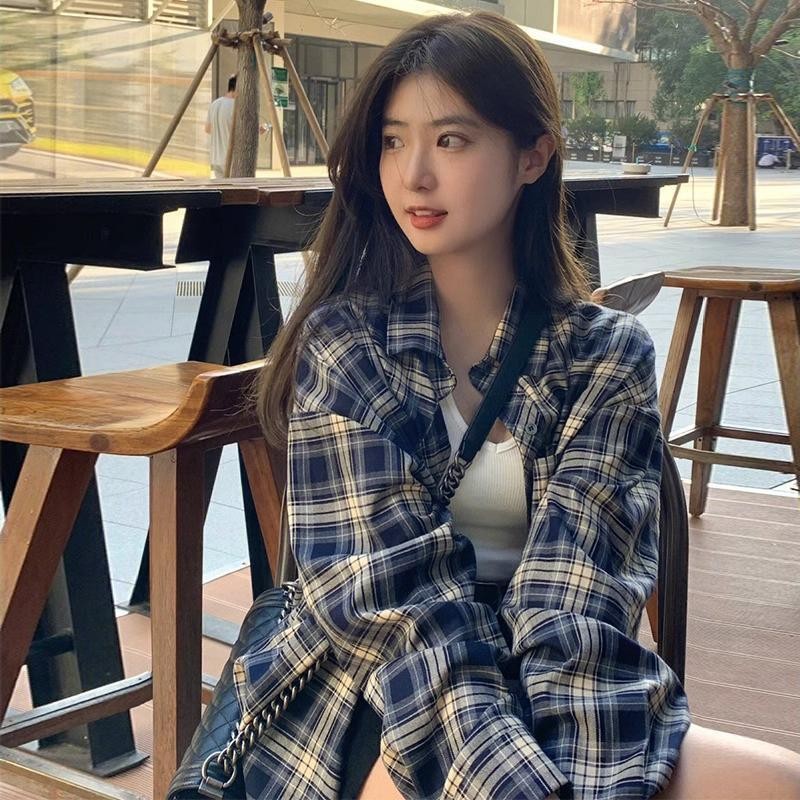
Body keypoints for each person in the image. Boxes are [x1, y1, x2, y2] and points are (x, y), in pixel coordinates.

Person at [239, 12, 800, 799]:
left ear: (532, 155)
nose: (414, 175)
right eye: (393, 141)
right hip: (382, 689)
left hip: (566, 684)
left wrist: (574, 780)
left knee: (777, 783)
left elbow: (581, 594)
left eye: (451, 140)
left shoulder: (605, 354)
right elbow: (396, 610)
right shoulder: (348, 344)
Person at [205, 73, 270, 178]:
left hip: (216, 158)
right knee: (235, 187)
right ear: (239, 88)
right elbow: (246, 131)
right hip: (232, 160)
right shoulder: (237, 107)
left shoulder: (214, 104)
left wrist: (222, 128)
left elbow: (207, 129)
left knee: (222, 187)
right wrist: (260, 129)